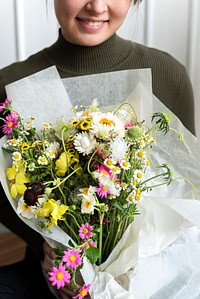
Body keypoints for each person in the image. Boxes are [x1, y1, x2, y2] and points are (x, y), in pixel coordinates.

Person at [0, 0, 196, 298]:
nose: (96, 6)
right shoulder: (12, 84)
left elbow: (188, 195)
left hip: (149, 279)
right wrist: (46, 249)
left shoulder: (167, 74)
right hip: (51, 273)